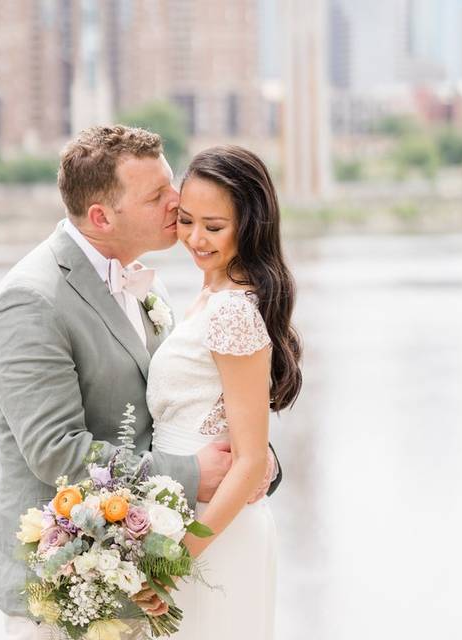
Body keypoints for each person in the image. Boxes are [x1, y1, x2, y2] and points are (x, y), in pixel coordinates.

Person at [0, 126, 281, 639]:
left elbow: (189, 403)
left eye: (171, 184)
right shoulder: (29, 301)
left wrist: (255, 464)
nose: (177, 200)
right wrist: (191, 473)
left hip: (151, 575)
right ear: (101, 217)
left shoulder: (147, 282)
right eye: (157, 195)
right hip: (66, 590)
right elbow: (57, 453)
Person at [146, 145, 302, 640]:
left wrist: (178, 558)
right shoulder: (205, 299)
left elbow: (252, 461)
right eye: (186, 221)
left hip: (213, 533)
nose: (195, 239)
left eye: (214, 227)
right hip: (181, 513)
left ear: (250, 226)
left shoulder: (235, 310)